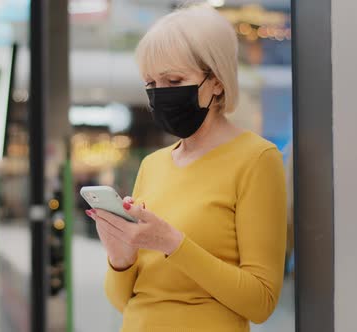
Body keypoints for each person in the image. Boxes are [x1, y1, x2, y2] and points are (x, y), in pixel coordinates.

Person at [85, 4, 287, 331]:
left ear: (217, 81)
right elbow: (126, 302)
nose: (160, 94)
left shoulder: (257, 159)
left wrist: (172, 243)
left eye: (174, 79)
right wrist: (120, 258)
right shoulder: (153, 165)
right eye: (151, 83)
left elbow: (261, 302)